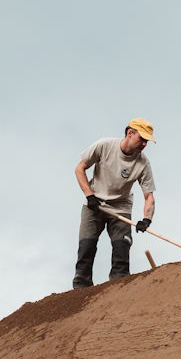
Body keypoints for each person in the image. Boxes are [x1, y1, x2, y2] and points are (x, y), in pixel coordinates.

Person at [72, 118, 157, 289]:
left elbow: (149, 196)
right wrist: (90, 196)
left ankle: (118, 290)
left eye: (147, 141)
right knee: (86, 248)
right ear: (129, 133)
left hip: (120, 207)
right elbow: (80, 168)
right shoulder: (104, 146)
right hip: (94, 204)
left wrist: (146, 219)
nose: (144, 144)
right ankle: (80, 291)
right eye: (142, 139)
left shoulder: (143, 163)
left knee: (121, 250)